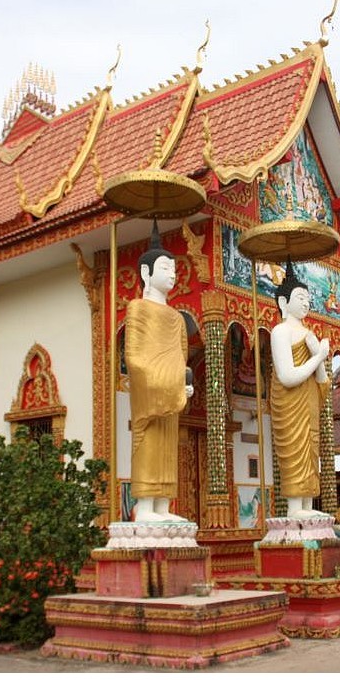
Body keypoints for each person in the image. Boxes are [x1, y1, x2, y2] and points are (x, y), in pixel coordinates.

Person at [124, 221, 194, 523]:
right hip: (150, 393)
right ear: (146, 273)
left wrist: (181, 380)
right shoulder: (137, 309)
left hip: (171, 392)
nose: (172, 274)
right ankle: (145, 507)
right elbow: (133, 357)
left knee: (168, 447)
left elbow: (181, 354)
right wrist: (159, 381)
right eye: (165, 268)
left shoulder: (177, 318)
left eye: (173, 269)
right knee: (149, 444)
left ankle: (163, 506)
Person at [268, 261, 331, 519]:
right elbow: (287, 377)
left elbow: (323, 383)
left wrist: (319, 357)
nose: (306, 302)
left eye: (307, 298)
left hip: (309, 405)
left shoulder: (308, 334)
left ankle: (307, 504)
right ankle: (295, 508)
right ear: (284, 302)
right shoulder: (280, 332)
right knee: (295, 452)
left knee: (312, 451)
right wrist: (318, 357)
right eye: (300, 297)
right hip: (290, 405)